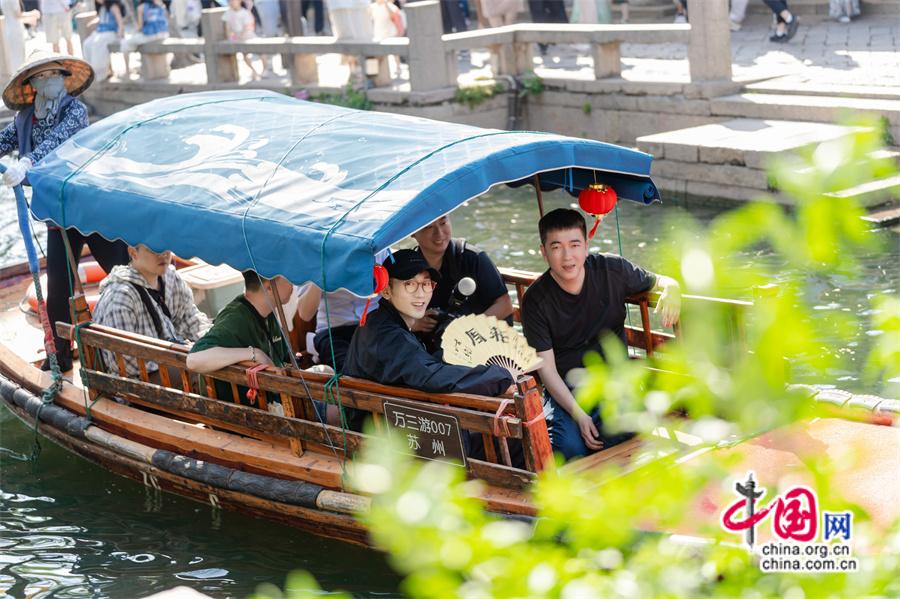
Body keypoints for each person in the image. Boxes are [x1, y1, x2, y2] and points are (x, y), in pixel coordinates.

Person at [1, 51, 128, 372]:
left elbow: (58, 142)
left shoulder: (75, 111)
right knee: (58, 285)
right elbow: (3, 141)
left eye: (56, 75)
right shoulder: (24, 119)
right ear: (32, 84)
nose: (52, 81)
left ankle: (153, 332)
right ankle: (59, 354)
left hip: (90, 206)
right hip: (58, 214)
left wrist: (27, 162)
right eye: (44, 77)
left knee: (122, 270)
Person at [521, 208, 681, 460]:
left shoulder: (611, 270)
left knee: (621, 429)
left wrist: (672, 287)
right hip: (567, 388)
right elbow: (548, 370)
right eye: (556, 247)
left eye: (574, 245)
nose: (567, 256)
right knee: (567, 449)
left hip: (613, 381)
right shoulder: (535, 300)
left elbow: (659, 280)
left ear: (586, 246)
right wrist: (580, 416)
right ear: (544, 252)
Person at [344, 249, 515, 431]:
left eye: (426, 284)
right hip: (382, 436)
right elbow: (432, 376)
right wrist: (501, 377)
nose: (421, 294)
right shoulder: (389, 337)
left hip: (387, 424)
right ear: (386, 291)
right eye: (410, 284)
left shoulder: (377, 322)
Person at [93, 244, 210, 379]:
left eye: (166, 245)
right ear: (133, 253)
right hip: (136, 381)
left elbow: (191, 319)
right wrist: (182, 357)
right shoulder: (121, 297)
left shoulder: (171, 279)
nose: (163, 253)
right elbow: (125, 362)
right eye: (153, 248)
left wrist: (211, 341)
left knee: (216, 363)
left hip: (172, 360)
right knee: (206, 372)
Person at [186, 271, 294, 408]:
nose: (293, 282)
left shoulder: (269, 313)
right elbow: (193, 359)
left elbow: (284, 361)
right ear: (269, 288)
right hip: (242, 413)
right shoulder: (235, 319)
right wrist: (255, 353)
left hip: (273, 405)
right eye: (288, 276)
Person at [411, 215, 513, 351]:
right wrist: (413, 323)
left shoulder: (473, 258)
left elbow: (505, 305)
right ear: (412, 232)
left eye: (443, 223)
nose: (439, 233)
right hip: (429, 351)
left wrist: (466, 330)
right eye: (429, 227)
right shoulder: (408, 266)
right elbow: (393, 314)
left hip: (479, 347)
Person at [297, 249, 391, 372]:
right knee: (351, 372)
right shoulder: (315, 253)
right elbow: (305, 314)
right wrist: (320, 271)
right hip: (334, 332)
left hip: (374, 327)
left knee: (393, 364)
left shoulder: (379, 249)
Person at [121, 0, 169, 75]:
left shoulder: (141, 7)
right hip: (163, 34)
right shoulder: (160, 4)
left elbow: (140, 27)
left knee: (124, 43)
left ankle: (127, 71)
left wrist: (133, 32)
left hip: (150, 36)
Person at [82, 0, 126, 81]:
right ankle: (89, 69)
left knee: (97, 43)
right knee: (87, 43)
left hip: (111, 32)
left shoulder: (113, 6)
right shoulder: (102, 7)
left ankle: (100, 72)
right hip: (100, 32)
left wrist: (121, 34)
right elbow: (101, 19)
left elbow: (120, 22)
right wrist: (92, 23)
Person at [222, 0, 267, 79]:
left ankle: (264, 70)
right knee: (245, 55)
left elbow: (248, 27)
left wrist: (239, 36)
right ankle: (254, 71)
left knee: (261, 52)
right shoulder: (228, 13)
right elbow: (227, 29)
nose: (232, 2)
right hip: (238, 39)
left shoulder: (245, 12)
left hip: (249, 36)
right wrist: (232, 37)